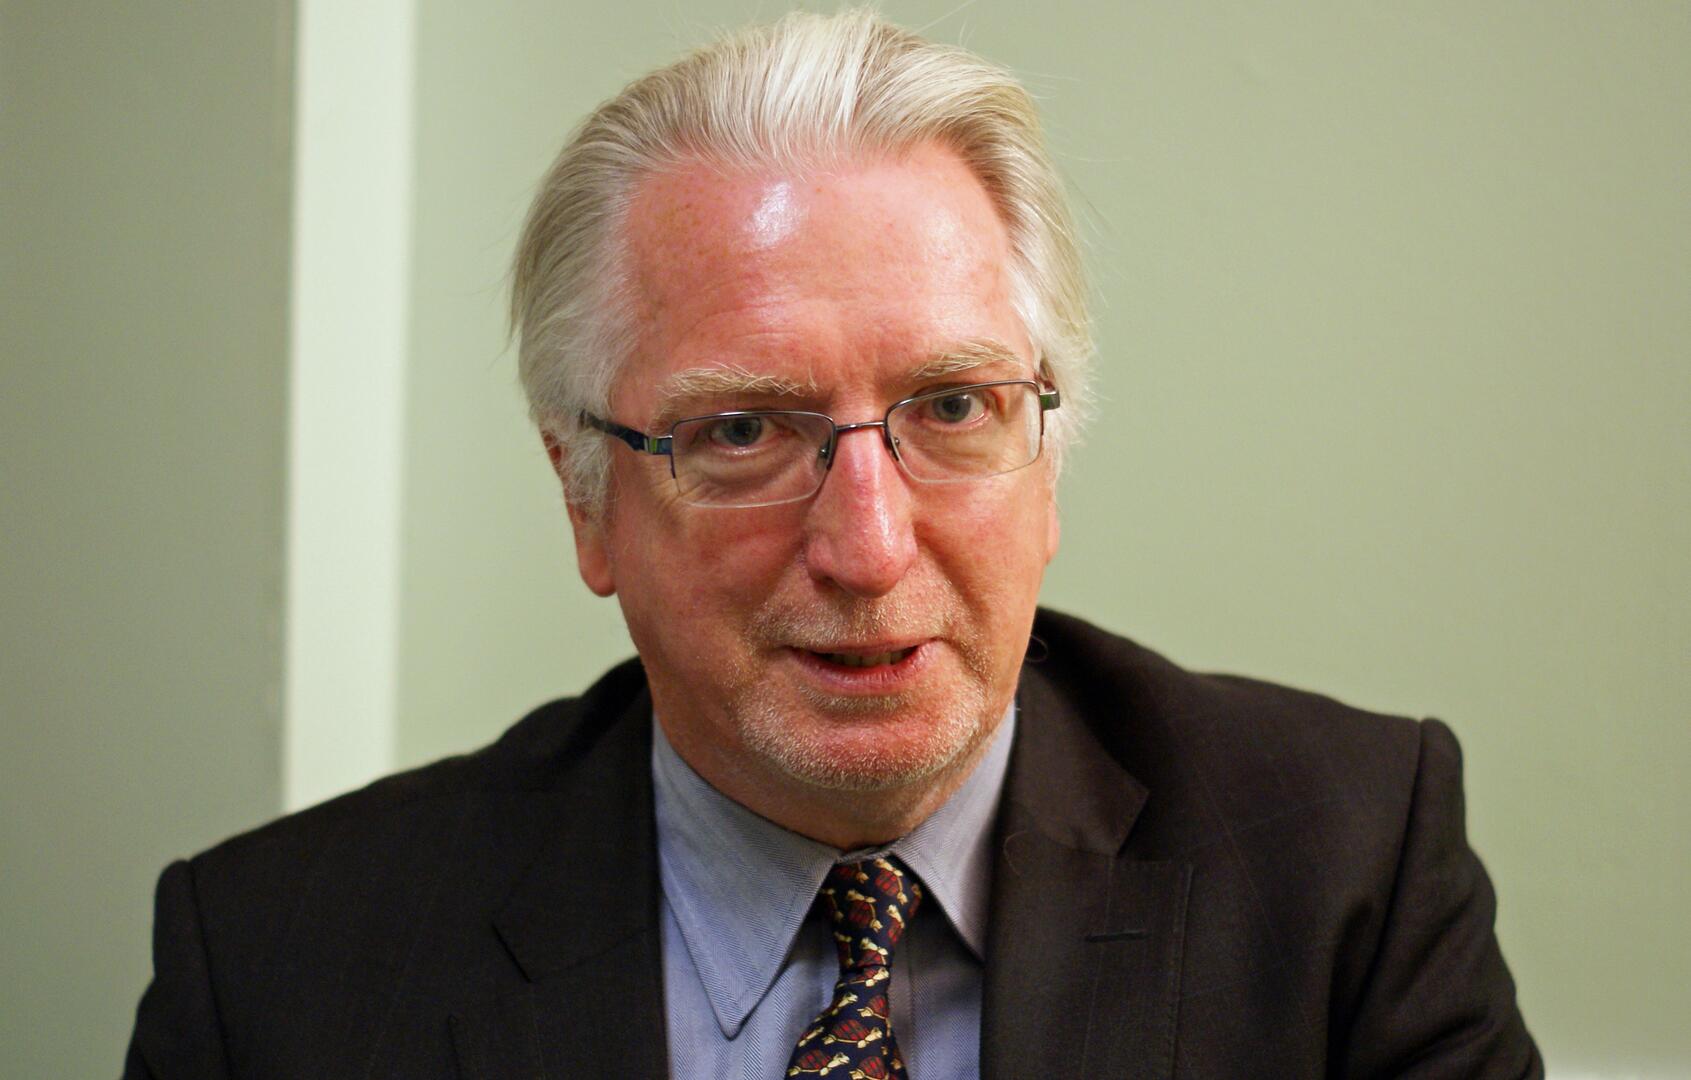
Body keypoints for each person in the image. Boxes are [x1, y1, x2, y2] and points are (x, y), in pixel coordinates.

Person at [124, 10, 1540, 1078]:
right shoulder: (277, 970)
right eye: (743, 431)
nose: (868, 548)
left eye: (954, 407)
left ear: (1049, 463)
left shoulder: (1344, 872)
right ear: (586, 499)